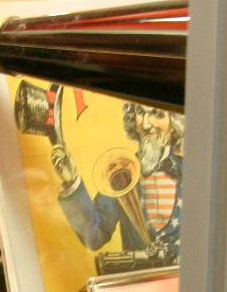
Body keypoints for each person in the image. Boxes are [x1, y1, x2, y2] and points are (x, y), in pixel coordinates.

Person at [51, 101, 184, 261]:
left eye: (157, 114)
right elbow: (94, 237)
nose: (146, 125)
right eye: (140, 112)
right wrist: (72, 181)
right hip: (138, 276)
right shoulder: (120, 172)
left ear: (174, 123)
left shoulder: (194, 170)